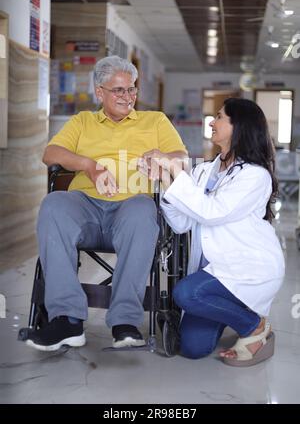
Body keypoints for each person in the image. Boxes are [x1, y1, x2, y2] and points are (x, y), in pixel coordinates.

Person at [25, 55, 187, 352]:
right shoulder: (82, 121)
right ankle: (66, 320)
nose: (129, 96)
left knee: (142, 209)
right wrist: (88, 165)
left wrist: (161, 157)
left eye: (133, 89)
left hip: (131, 209)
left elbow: (182, 157)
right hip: (85, 205)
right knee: (54, 205)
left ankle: (124, 321)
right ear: (100, 92)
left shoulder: (155, 121)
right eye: (120, 90)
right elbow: (51, 154)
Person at [160, 98, 285, 366]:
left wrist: (174, 169)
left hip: (248, 268)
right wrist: (165, 181)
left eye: (219, 117)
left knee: (186, 294)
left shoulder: (255, 175)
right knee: (193, 348)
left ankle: (253, 327)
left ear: (238, 126)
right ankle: (234, 311)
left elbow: (211, 212)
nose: (211, 122)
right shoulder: (204, 171)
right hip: (214, 271)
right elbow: (181, 224)